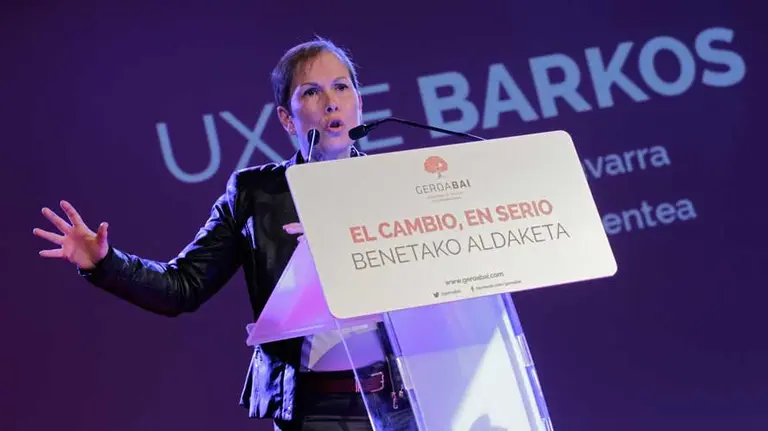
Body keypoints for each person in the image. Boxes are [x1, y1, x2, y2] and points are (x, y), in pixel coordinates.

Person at [33, 37, 417, 431]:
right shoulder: (255, 194)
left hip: (401, 402)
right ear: (287, 118)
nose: (331, 102)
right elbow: (182, 285)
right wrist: (105, 264)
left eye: (341, 87)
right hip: (312, 410)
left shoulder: (394, 185)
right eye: (312, 92)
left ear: (359, 101)